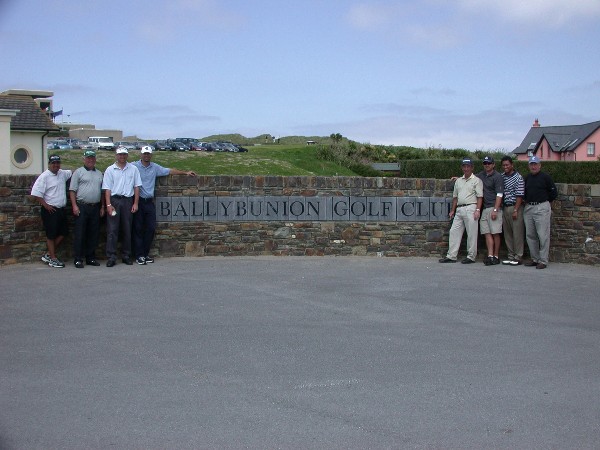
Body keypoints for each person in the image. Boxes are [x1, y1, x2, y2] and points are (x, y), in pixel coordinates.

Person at [132, 146, 196, 265]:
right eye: (144, 154)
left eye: (148, 154)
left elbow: (169, 171)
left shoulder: (154, 167)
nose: (146, 156)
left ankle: (145, 254)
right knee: (138, 229)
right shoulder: (133, 166)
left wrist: (185, 173)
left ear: (151, 155)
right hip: (138, 201)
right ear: (141, 154)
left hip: (149, 202)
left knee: (151, 228)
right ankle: (139, 255)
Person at [102, 146, 142, 267]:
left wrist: (135, 203)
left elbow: (137, 187)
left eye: (124, 154)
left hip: (127, 201)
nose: (122, 157)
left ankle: (126, 255)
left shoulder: (133, 169)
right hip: (114, 200)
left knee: (127, 229)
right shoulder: (110, 169)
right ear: (116, 155)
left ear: (127, 155)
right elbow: (107, 189)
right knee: (112, 230)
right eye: (120, 154)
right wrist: (108, 204)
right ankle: (111, 256)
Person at [30, 154, 72, 268]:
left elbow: (73, 172)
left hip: (61, 210)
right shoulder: (44, 176)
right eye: (53, 163)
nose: (56, 165)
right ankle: (53, 258)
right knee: (51, 235)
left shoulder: (62, 173)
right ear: (49, 164)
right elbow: (36, 193)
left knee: (64, 232)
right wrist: (46, 205)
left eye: (57, 163)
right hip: (50, 210)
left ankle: (48, 254)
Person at [439, 158, 483, 264]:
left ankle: (471, 256)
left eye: (468, 166)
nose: (466, 168)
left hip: (471, 208)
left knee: (472, 233)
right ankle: (451, 255)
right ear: (462, 167)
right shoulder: (458, 181)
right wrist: (452, 210)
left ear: (472, 168)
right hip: (459, 208)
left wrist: (478, 209)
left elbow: (480, 197)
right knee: (454, 231)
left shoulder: (477, 181)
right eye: (464, 166)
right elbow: (455, 197)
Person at [68, 150, 105, 268]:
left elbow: (102, 192)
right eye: (88, 158)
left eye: (92, 158)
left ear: (95, 159)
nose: (90, 160)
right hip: (82, 206)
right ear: (84, 159)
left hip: (95, 207)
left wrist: (103, 206)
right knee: (80, 233)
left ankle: (90, 257)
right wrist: (74, 206)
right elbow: (72, 191)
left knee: (93, 233)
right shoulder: (78, 172)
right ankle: (78, 258)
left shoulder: (99, 173)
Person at [523, 156, 557, 269]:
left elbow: (553, 193)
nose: (533, 166)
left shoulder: (545, 177)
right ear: (529, 166)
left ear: (539, 165)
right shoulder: (527, 178)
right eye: (531, 164)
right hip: (529, 207)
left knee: (543, 235)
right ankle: (535, 258)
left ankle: (543, 260)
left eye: (535, 164)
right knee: (530, 235)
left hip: (541, 206)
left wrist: (546, 203)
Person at [476, 156, 504, 266]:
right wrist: (459, 178)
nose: (487, 165)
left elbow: (499, 194)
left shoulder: (498, 177)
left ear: (493, 164)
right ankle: (490, 255)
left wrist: (496, 209)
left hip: (494, 207)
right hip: (485, 208)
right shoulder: (481, 175)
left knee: (495, 233)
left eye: (489, 163)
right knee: (487, 233)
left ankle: (496, 256)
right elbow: (471, 177)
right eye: (485, 163)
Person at [500, 156, 525, 265]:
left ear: (512, 165)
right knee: (508, 234)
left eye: (507, 165)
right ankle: (510, 255)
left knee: (517, 233)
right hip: (505, 207)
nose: (505, 167)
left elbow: (519, 195)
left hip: (515, 207)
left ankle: (518, 256)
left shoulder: (518, 177)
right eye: (504, 165)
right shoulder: (502, 177)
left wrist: (516, 209)